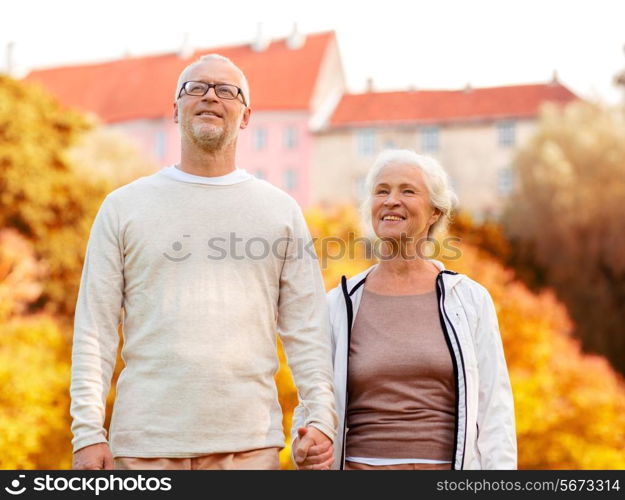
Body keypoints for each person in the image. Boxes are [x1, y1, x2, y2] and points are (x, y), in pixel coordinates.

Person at [70, 54, 336, 470]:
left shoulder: (280, 211)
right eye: (196, 88)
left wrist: (321, 417)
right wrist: (87, 433)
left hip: (248, 446)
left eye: (226, 90)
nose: (210, 97)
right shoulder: (123, 207)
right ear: (175, 109)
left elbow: (308, 327)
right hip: (145, 445)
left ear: (246, 116)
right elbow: (95, 328)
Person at [293, 149, 516, 470]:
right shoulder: (339, 304)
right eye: (381, 191)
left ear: (435, 212)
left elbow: (495, 409)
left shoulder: (469, 300)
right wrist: (304, 445)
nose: (391, 200)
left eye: (407, 191)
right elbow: (312, 397)